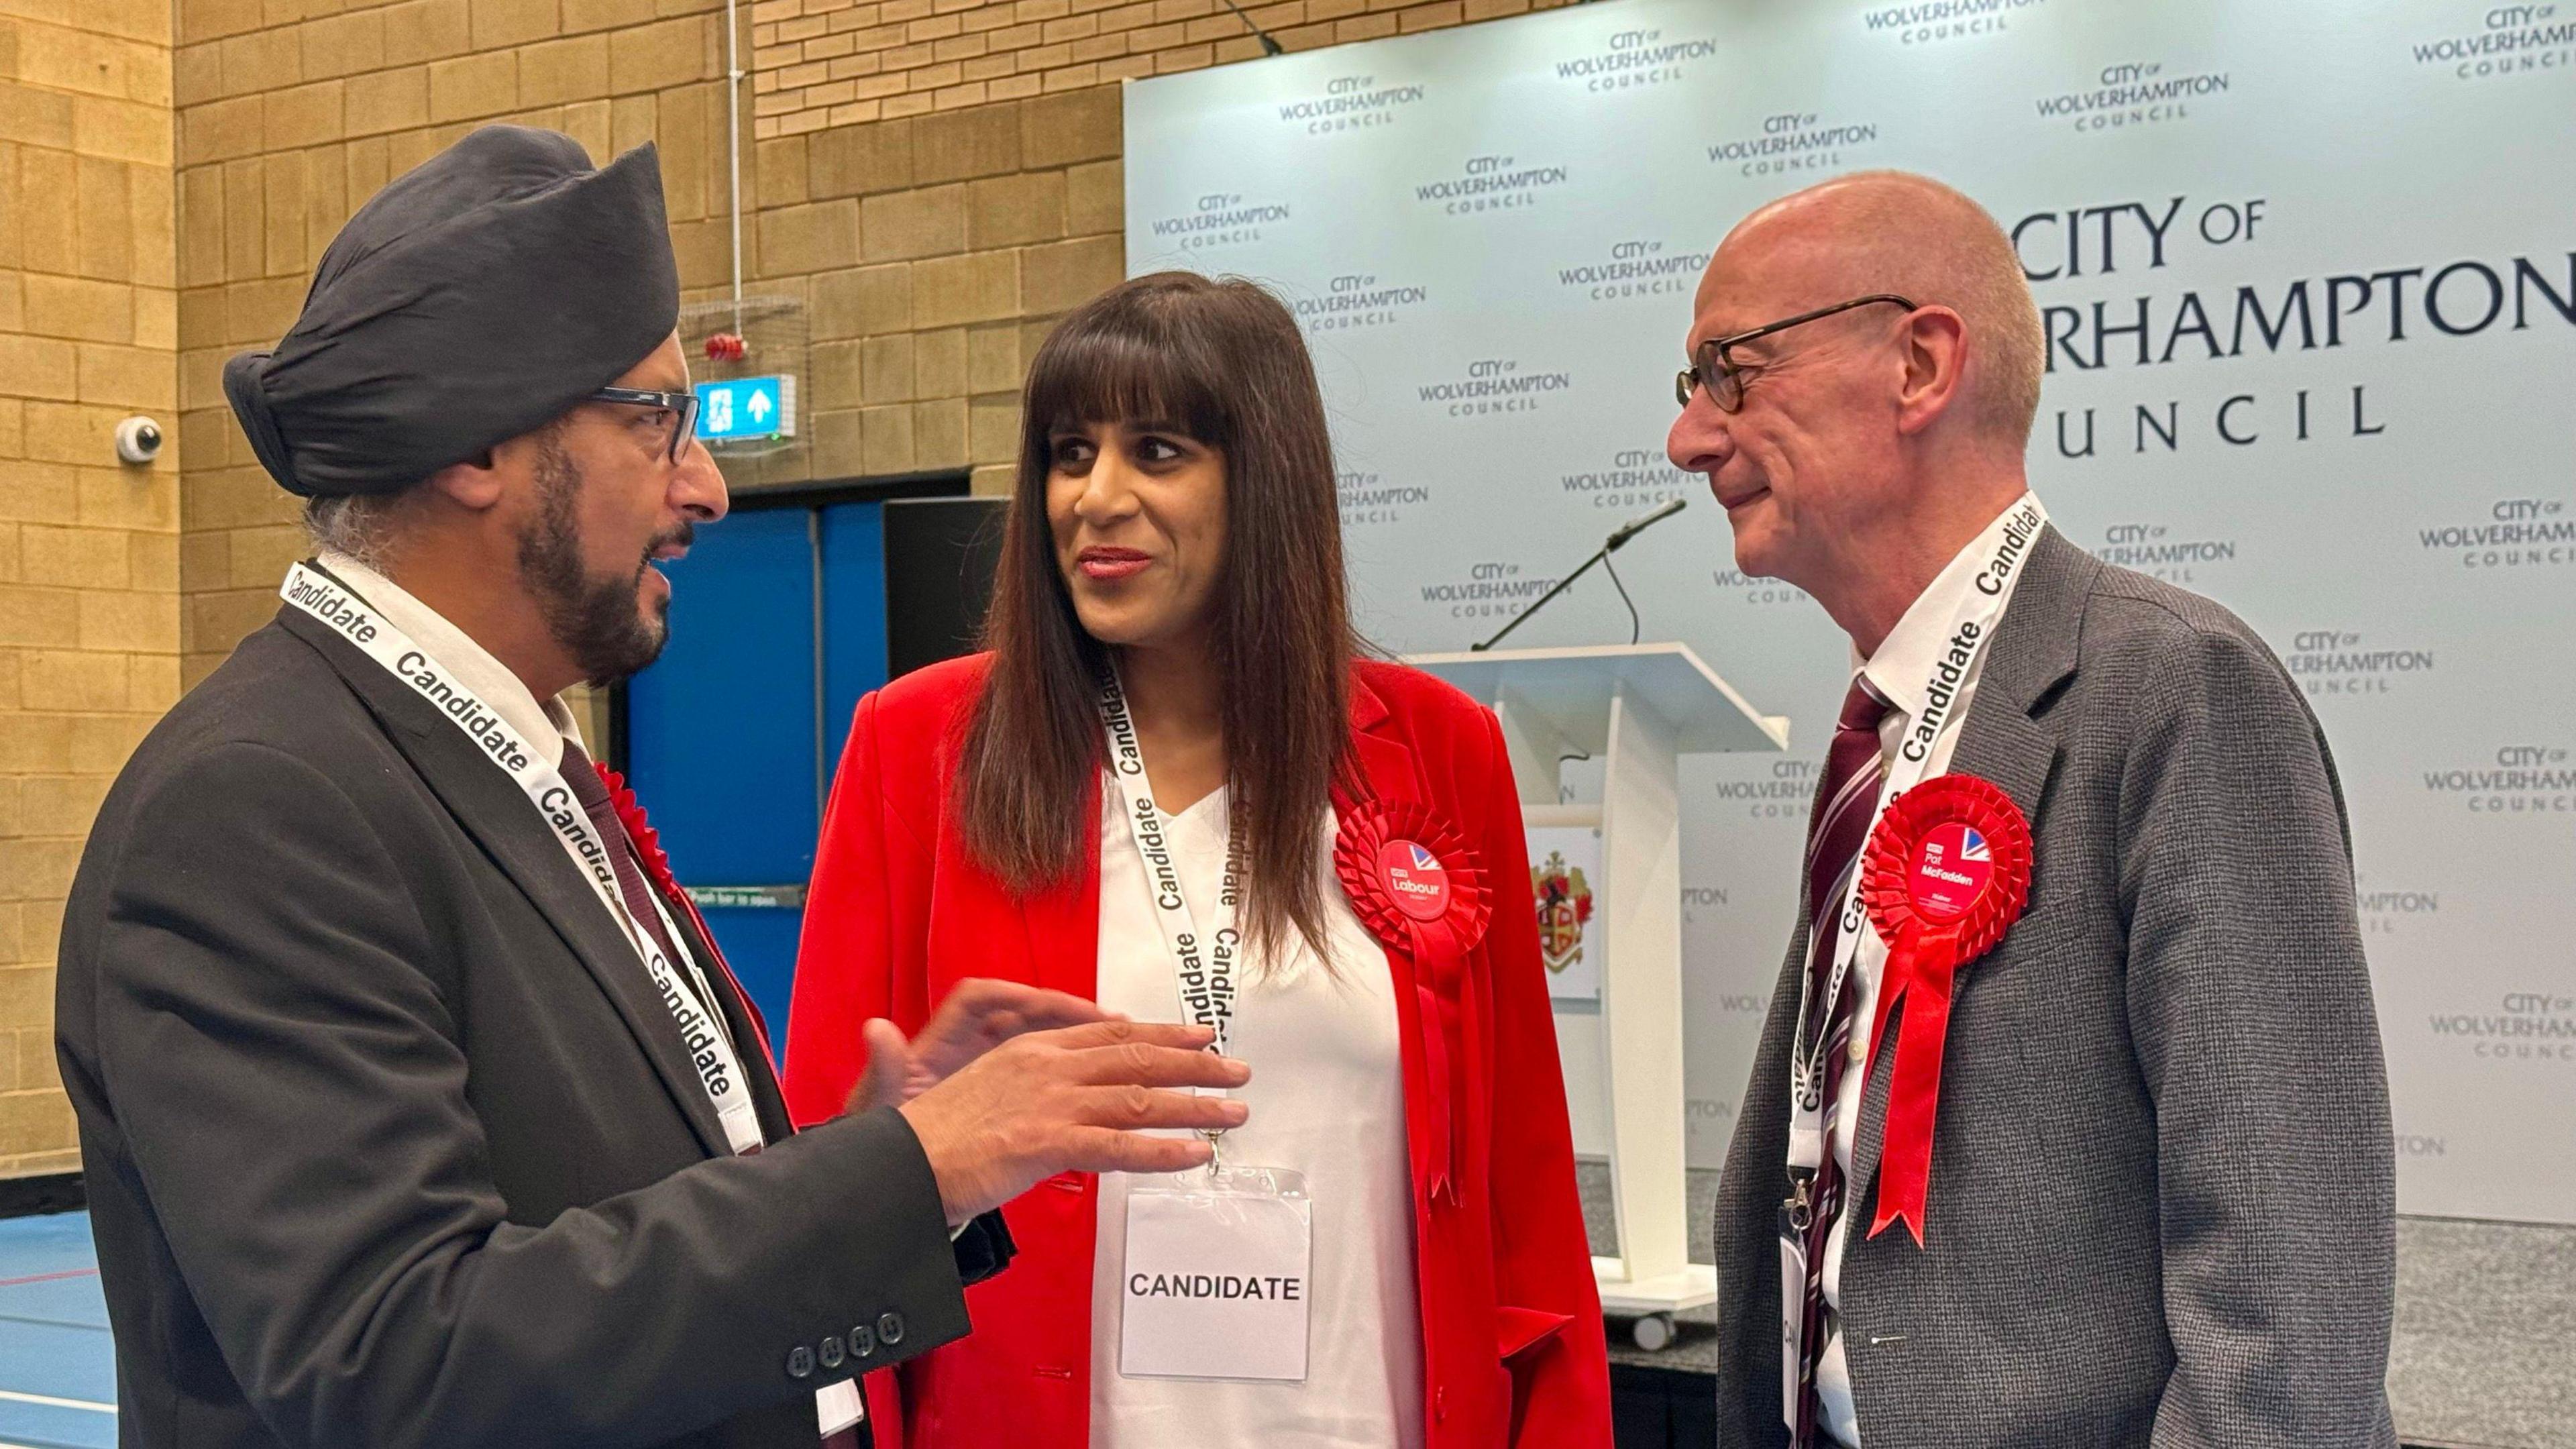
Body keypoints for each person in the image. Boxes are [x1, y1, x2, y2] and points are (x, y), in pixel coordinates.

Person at [54, 125, 1249, 1449]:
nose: (708, 487)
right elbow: (394, 1363)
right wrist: (916, 1167)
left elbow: (601, 1208)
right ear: (478, 449)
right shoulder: (260, 809)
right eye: (657, 419)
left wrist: (866, 1157)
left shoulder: (491, 760)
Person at [780, 272, 1611, 1449]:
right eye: (1070, 454)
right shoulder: (918, 748)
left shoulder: (1437, 749)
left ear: (1263, 477)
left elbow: (1526, 1199)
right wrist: (877, 1160)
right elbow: (821, 1172)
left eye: (1156, 452)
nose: (1095, 499)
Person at [1664, 170, 2396, 1448]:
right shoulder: (1883, 734)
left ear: (1920, 363)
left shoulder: (2174, 687)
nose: (1691, 439)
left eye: (1731, 370)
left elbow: (2290, 1311)